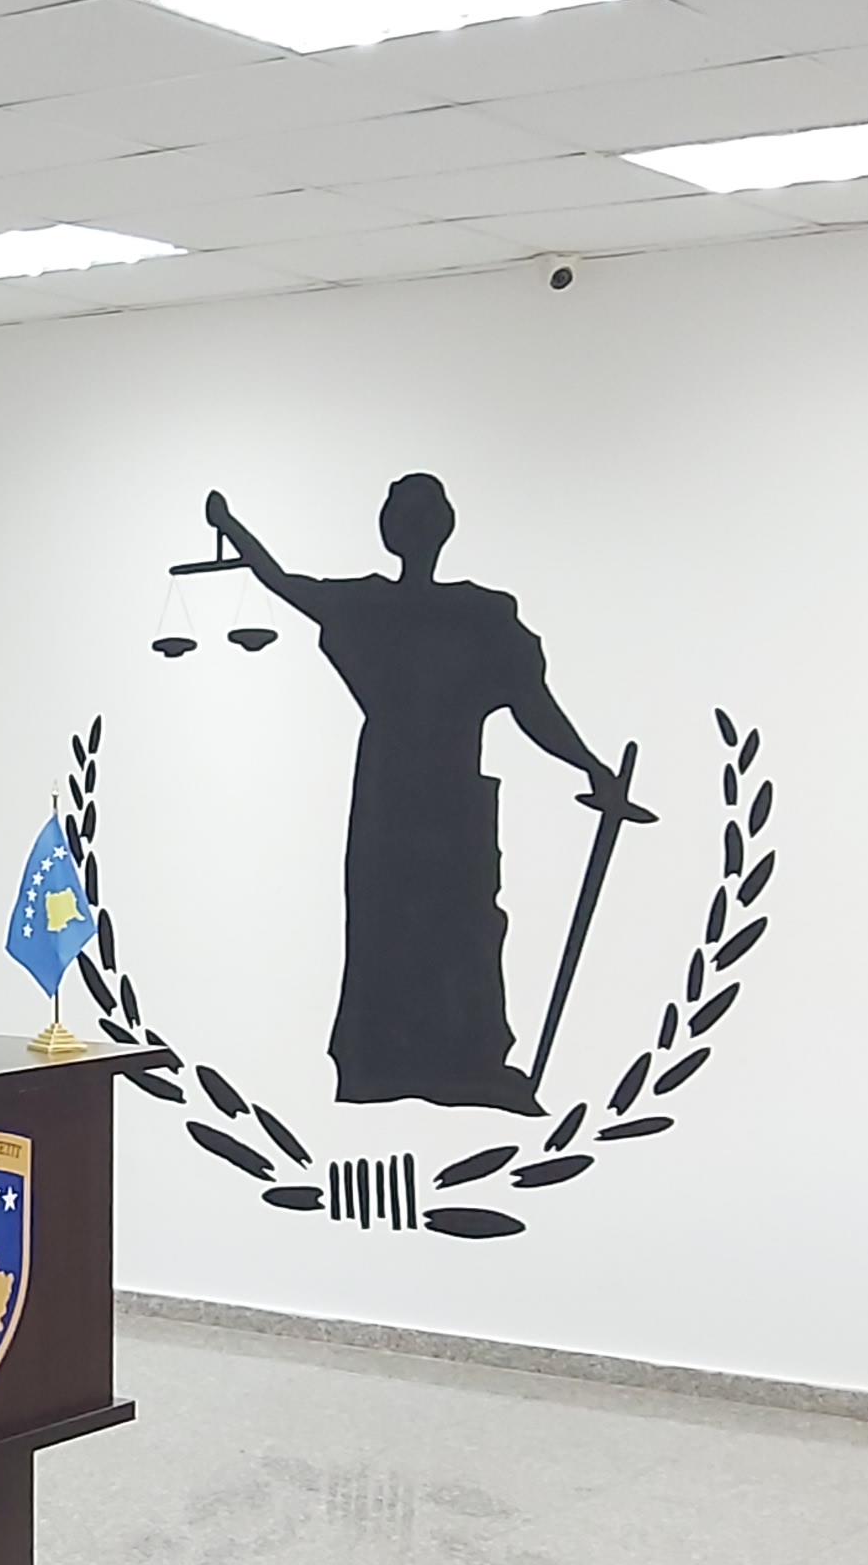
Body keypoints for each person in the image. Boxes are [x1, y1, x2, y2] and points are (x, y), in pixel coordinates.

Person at [204, 477, 649, 1113]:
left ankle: (450, 1063)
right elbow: (534, 709)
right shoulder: (473, 615)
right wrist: (591, 768)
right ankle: (413, 1062)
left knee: (448, 922)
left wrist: (232, 529)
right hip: (428, 792)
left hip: (415, 792)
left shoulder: (424, 611)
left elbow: (282, 581)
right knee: (434, 922)